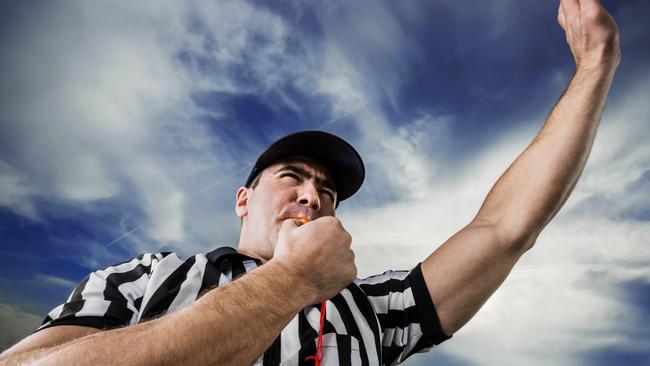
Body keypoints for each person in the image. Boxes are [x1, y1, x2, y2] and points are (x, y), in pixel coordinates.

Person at [0, 0, 621, 365]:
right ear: (242, 198)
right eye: (292, 177)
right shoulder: (144, 277)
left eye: (329, 191)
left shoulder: (373, 311)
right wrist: (290, 281)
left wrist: (596, 66)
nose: (313, 196)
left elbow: (504, 228)